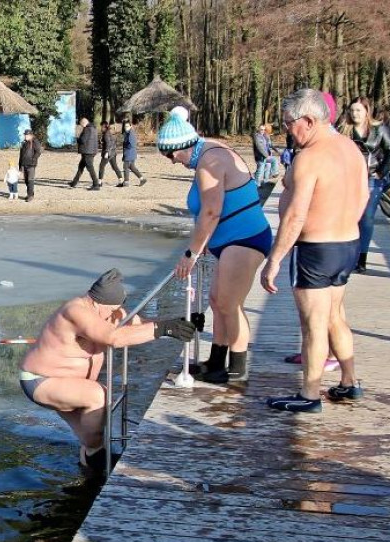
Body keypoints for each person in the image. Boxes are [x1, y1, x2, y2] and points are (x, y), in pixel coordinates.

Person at [19, 269, 196, 471]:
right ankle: (96, 456)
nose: (115, 315)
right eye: (112, 310)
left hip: (70, 382)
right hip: (41, 380)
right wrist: (162, 329)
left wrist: (177, 323)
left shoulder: (107, 311)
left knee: (91, 437)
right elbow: (113, 338)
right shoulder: (75, 311)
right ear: (96, 303)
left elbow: (139, 324)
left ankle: (90, 468)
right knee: (99, 397)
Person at [260, 88, 368, 413]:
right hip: (347, 244)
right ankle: (349, 381)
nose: (286, 130)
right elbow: (364, 197)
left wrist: (274, 260)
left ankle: (309, 394)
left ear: (308, 121)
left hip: (316, 249)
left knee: (313, 324)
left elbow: (295, 215)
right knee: (335, 316)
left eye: (288, 123)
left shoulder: (310, 157)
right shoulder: (350, 148)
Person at [157, 106, 273, 384]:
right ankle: (216, 361)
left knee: (230, 304)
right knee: (217, 300)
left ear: (182, 146)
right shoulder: (207, 150)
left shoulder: (210, 162)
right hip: (230, 241)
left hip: (244, 239)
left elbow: (211, 212)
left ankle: (237, 368)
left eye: (170, 155)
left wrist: (191, 254)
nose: (172, 162)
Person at [343, 96, 390, 273]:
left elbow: (389, 151)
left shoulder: (379, 130)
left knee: (367, 217)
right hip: (349, 178)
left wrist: (381, 172)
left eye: (358, 110)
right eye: (352, 110)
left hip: (372, 179)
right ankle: (350, 254)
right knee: (350, 217)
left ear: (366, 111)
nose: (355, 114)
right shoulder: (344, 130)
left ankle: (361, 258)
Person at [69, 118, 101, 191]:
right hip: (91, 151)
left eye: (81, 124)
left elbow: (83, 140)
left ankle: (96, 185)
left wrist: (77, 138)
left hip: (87, 152)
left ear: (84, 123)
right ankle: (74, 183)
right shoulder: (93, 128)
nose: (81, 126)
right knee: (80, 167)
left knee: (90, 168)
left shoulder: (87, 129)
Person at [119, 119, 146, 187]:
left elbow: (132, 144)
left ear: (130, 126)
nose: (126, 128)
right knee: (132, 167)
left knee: (125, 167)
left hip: (129, 153)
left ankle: (126, 182)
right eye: (125, 126)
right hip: (130, 153)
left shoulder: (131, 134)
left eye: (127, 126)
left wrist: (126, 146)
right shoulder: (127, 133)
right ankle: (142, 179)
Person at [18, 129, 42, 202]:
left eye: (27, 135)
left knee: (30, 180)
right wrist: (20, 165)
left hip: (31, 165)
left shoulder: (35, 142)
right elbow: (21, 155)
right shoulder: (24, 143)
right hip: (24, 164)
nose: (25, 136)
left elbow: (38, 151)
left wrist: (33, 159)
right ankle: (30, 193)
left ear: (31, 135)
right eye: (25, 135)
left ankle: (30, 195)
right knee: (26, 181)